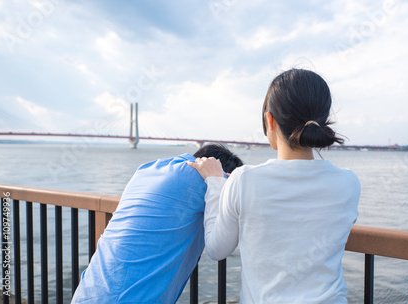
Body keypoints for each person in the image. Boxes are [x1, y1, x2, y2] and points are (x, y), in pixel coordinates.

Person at [188, 69, 360, 303]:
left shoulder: (244, 179)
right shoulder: (349, 183)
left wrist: (216, 182)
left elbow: (217, 250)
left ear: (270, 120)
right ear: (322, 120)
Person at [71, 144, 243, 304]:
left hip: (86, 294)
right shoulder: (203, 178)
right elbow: (236, 212)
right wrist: (218, 181)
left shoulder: (147, 169)